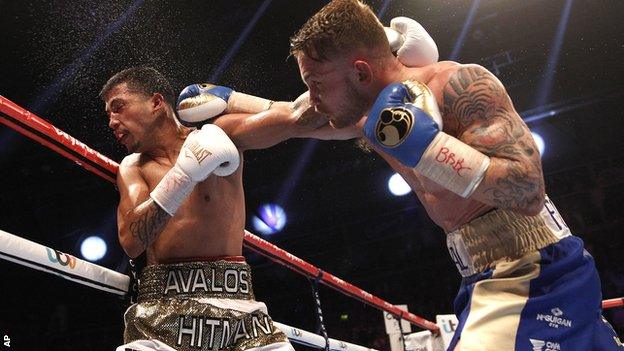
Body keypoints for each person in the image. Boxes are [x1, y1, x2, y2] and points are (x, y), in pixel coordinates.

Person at [285, 1, 624, 350]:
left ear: (360, 72)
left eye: (315, 83)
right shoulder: (365, 117)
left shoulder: (457, 83)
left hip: (530, 271)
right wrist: (227, 99)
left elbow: (528, 190)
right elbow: (277, 117)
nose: (312, 99)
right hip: (483, 275)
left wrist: (430, 148)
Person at [101, 66, 326, 351]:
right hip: (162, 315)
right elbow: (132, 243)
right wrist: (184, 175)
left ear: (156, 102)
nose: (111, 122)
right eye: (108, 114)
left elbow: (303, 117)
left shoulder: (221, 134)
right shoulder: (132, 168)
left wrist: (234, 100)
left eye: (118, 108)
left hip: (242, 316)